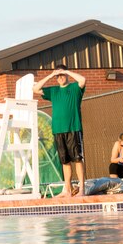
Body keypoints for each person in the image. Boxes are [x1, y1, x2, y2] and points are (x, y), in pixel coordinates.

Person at [34, 64, 86, 197]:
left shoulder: (74, 88)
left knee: (77, 159)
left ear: (66, 75)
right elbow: (35, 89)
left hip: (73, 128)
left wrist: (67, 71)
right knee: (65, 161)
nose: (60, 77)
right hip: (58, 130)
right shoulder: (53, 91)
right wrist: (51, 75)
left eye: (62, 75)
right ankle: (67, 189)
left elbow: (82, 80)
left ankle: (82, 189)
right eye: (58, 76)